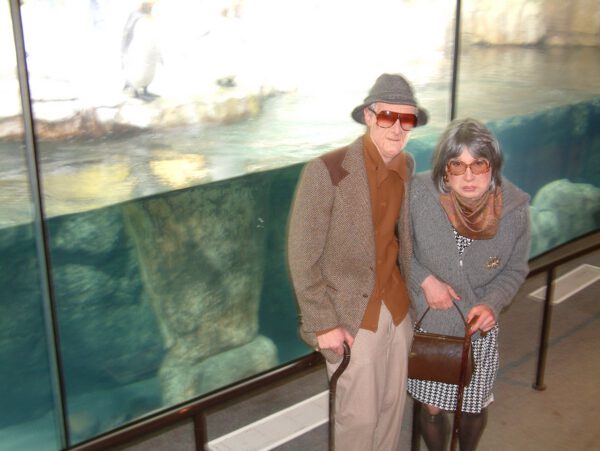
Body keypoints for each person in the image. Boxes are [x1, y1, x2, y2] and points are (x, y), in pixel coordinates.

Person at [287, 73, 428, 450]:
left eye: (407, 119)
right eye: (388, 116)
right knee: (358, 421)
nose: (397, 128)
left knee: (391, 412)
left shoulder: (407, 166)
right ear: (368, 116)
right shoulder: (327, 170)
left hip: (397, 311)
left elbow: (403, 240)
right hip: (352, 317)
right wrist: (322, 323)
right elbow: (302, 255)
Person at [407, 118, 531, 451]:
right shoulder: (419, 194)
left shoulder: (514, 210)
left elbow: (515, 270)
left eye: (479, 164)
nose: (469, 176)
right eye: (457, 165)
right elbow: (396, 249)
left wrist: (492, 304)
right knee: (431, 406)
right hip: (431, 323)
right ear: (444, 170)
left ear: (493, 166)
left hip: (478, 326)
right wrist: (424, 280)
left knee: (475, 404)